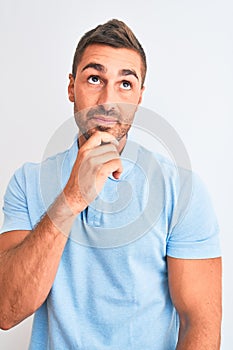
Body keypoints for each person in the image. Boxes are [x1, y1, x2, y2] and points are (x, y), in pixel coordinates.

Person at [0, 19, 221, 349]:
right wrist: (72, 197)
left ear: (140, 96)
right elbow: (7, 310)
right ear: (72, 87)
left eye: (125, 84)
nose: (108, 99)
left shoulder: (181, 189)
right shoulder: (28, 182)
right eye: (94, 78)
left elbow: (200, 323)